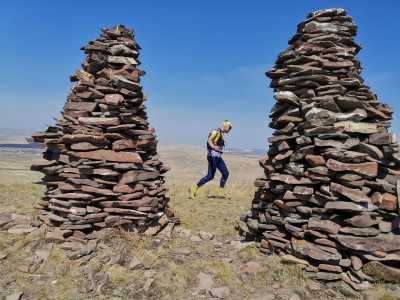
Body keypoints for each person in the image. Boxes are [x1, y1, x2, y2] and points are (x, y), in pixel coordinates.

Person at [190, 120, 233, 199]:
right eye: (229, 128)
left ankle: (221, 192)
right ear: (226, 126)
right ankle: (194, 188)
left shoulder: (221, 133)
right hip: (213, 157)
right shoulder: (216, 132)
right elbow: (209, 140)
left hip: (218, 157)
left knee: (226, 173)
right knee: (210, 176)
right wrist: (213, 147)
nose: (230, 130)